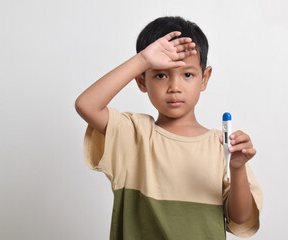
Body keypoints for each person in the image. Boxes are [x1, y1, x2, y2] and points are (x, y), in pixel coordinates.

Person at [75, 16, 263, 240]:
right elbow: (86, 105)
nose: (174, 87)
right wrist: (143, 60)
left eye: (187, 74)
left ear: (205, 78)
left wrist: (238, 168)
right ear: (142, 81)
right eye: (161, 74)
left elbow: (240, 218)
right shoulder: (134, 134)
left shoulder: (221, 147)